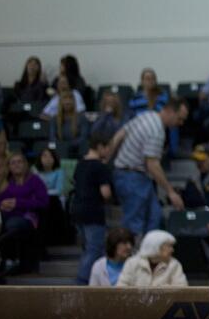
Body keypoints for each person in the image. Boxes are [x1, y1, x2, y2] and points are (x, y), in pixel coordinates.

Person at [110, 98, 188, 237]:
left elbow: (120, 134)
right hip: (132, 177)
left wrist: (106, 158)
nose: (180, 124)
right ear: (170, 112)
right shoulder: (156, 131)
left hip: (131, 175)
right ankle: (131, 257)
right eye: (179, 119)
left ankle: (148, 255)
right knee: (135, 225)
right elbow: (152, 165)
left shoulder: (146, 116)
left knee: (154, 217)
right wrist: (171, 192)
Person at [72, 133, 114, 284]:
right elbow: (106, 193)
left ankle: (100, 280)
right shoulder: (100, 167)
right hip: (93, 211)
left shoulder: (79, 164)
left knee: (89, 248)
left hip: (77, 210)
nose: (109, 151)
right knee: (94, 248)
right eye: (108, 148)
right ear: (100, 147)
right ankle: (81, 282)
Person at [0, 153, 49, 272]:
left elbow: (43, 203)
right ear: (9, 166)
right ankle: (1, 262)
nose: (16, 165)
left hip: (28, 217)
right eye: (13, 162)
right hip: (6, 216)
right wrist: (2, 204)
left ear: (26, 164)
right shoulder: (4, 182)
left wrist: (18, 203)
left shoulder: (35, 181)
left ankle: (14, 261)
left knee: (12, 225)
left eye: (20, 161)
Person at [117, 229, 187, 287]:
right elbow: (121, 288)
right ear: (155, 246)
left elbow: (182, 290)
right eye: (169, 246)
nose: (172, 250)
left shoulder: (174, 265)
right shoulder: (132, 263)